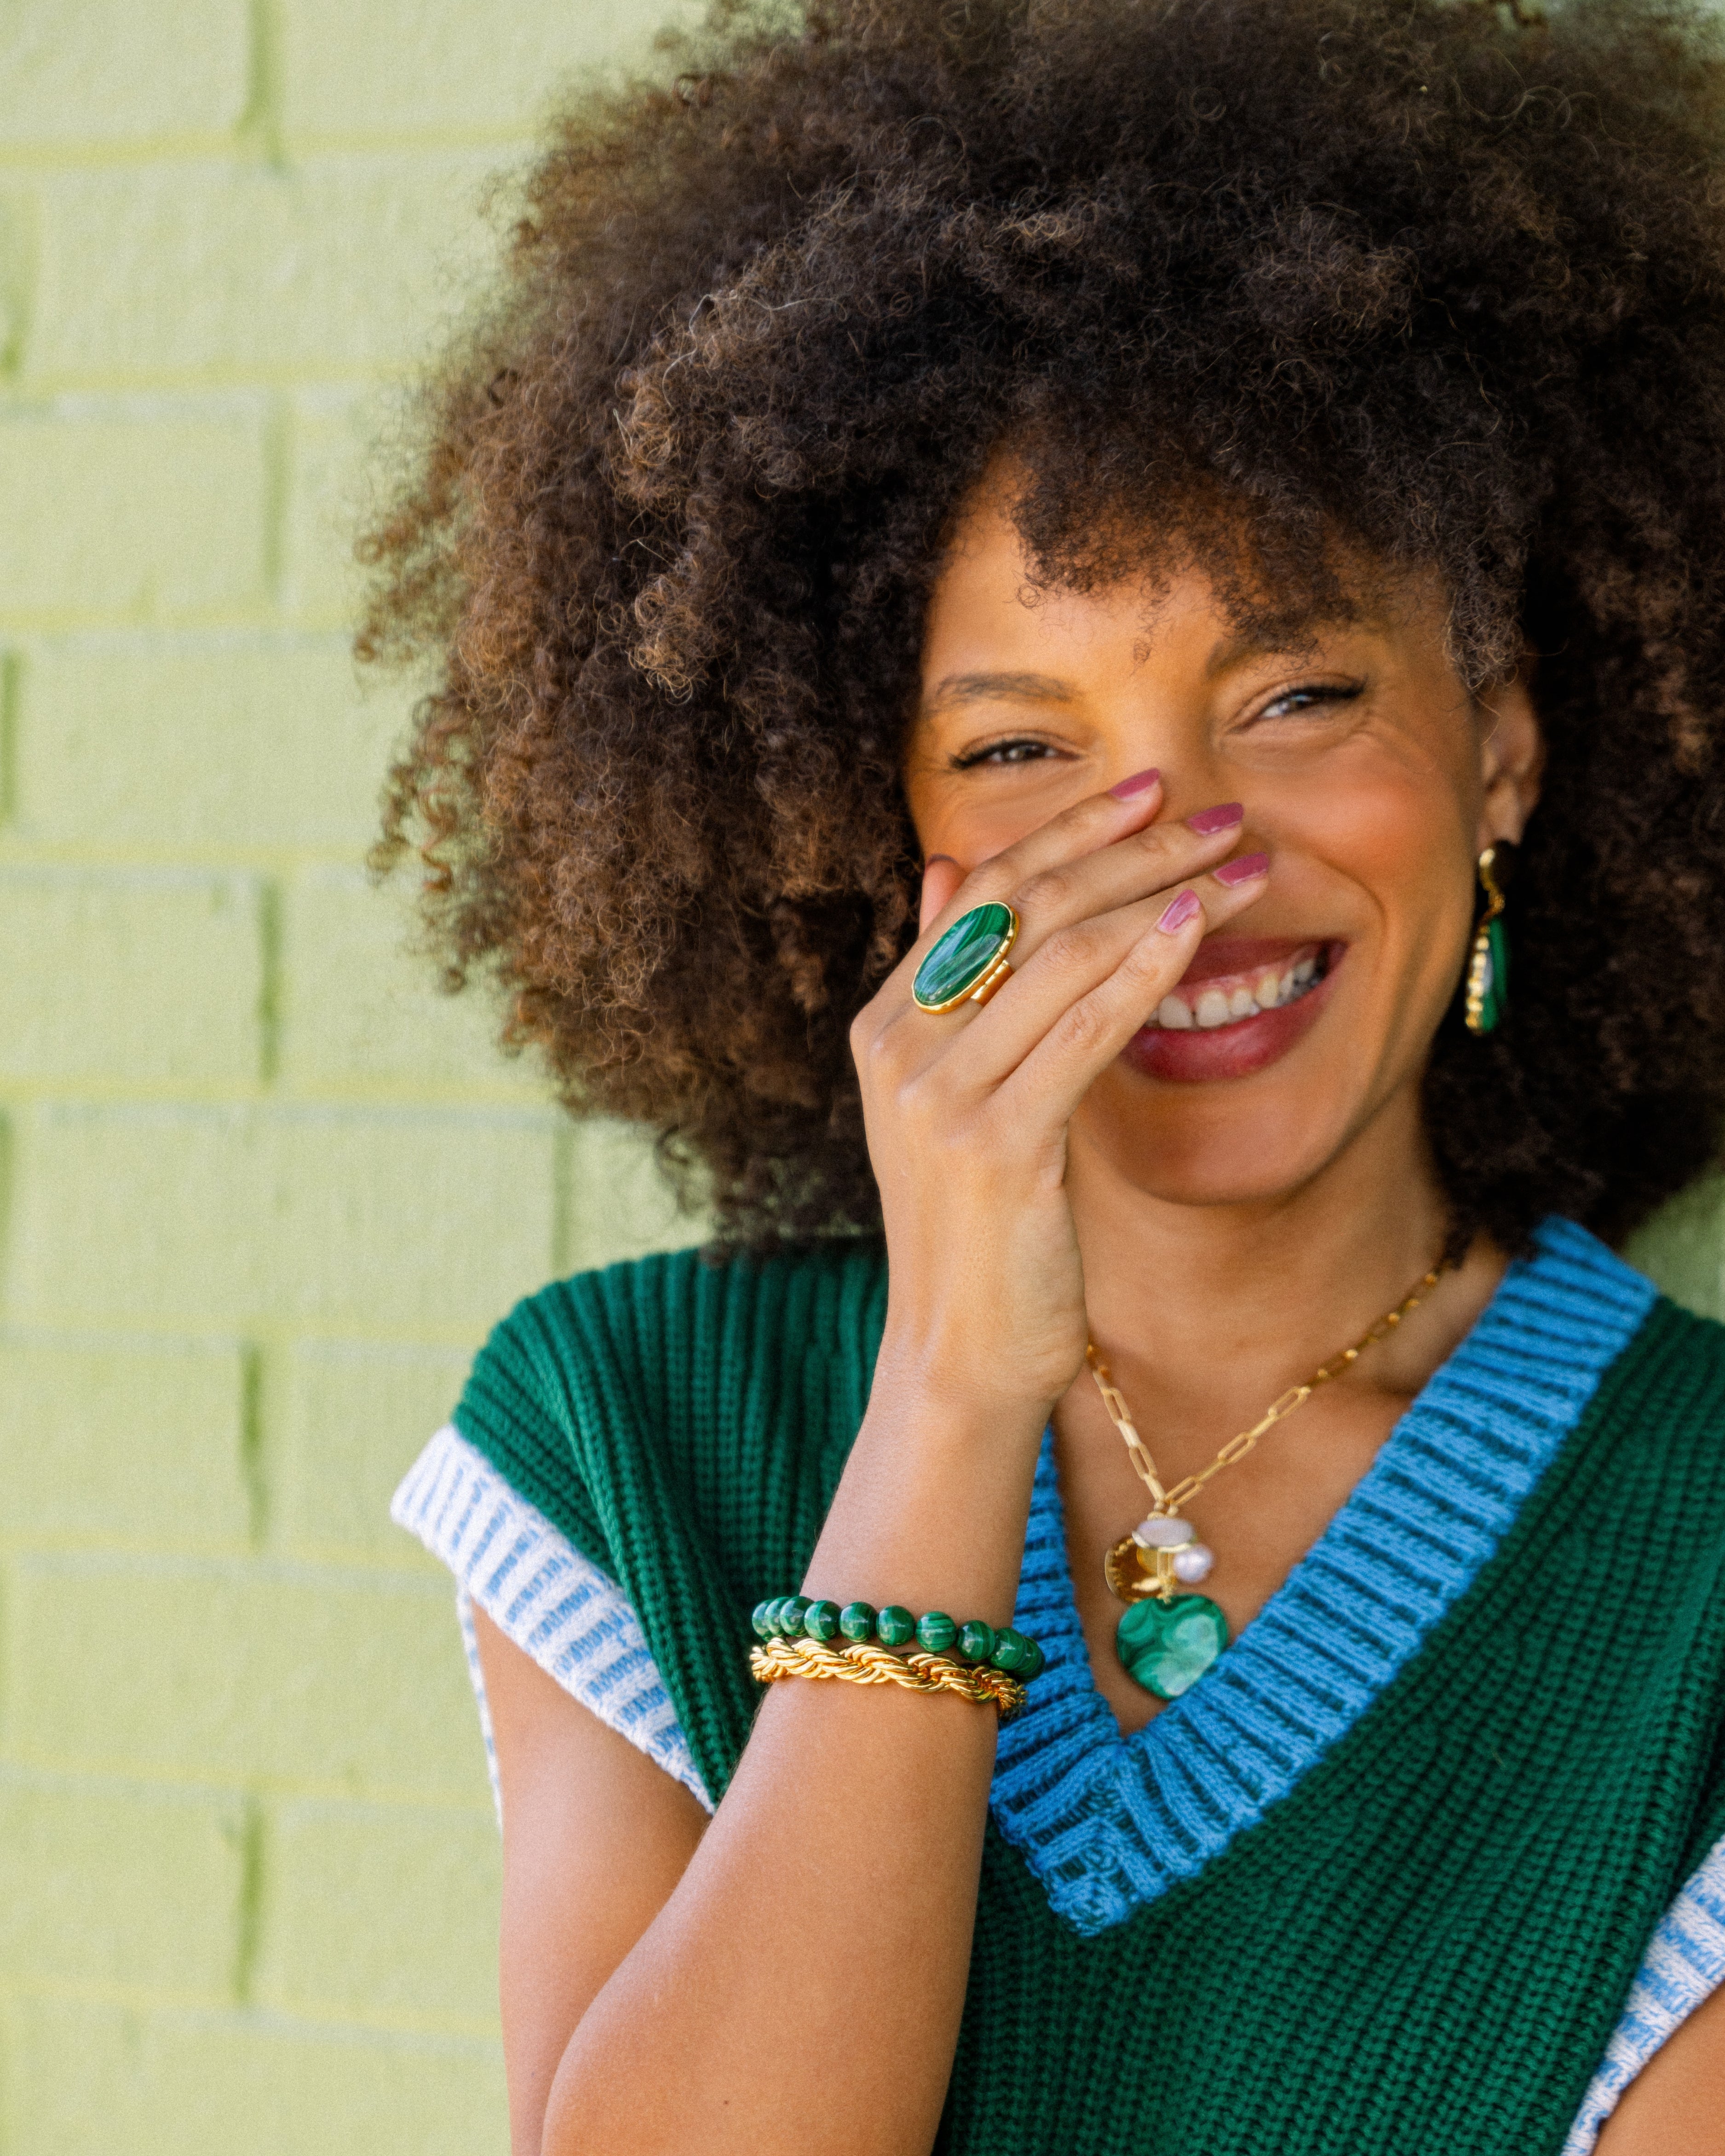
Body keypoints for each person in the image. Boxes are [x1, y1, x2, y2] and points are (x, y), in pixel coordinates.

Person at [369, 1, 1725, 2149]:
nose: (1177, 868)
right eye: (1018, 748)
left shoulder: (1693, 1542)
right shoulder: (623, 1423)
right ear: (850, 820)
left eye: (1292, 692)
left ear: (1507, 748)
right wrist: (946, 1390)